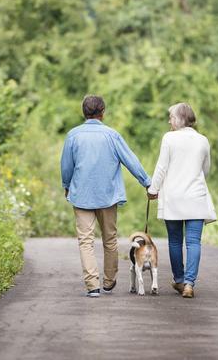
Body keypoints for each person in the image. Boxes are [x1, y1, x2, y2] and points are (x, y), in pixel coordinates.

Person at [60, 95, 152, 298]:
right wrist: (147, 182)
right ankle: (109, 281)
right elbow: (131, 160)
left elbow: (66, 166)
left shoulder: (73, 135)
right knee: (109, 238)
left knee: (85, 240)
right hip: (107, 195)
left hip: (81, 194)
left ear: (84, 112)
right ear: (102, 112)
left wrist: (67, 186)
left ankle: (92, 285)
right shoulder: (112, 135)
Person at [147, 102, 217, 298]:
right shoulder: (203, 140)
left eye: (171, 117)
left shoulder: (169, 138)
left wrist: (153, 189)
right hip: (196, 197)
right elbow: (206, 170)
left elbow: (162, 167)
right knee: (193, 242)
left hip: (174, 198)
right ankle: (189, 284)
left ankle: (179, 280)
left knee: (175, 241)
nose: (169, 121)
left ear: (179, 119)